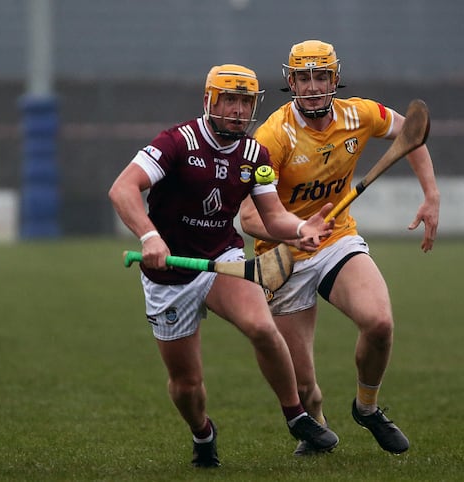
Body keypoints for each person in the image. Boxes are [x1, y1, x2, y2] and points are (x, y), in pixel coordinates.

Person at [109, 63, 340, 468]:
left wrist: (301, 227)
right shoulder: (176, 143)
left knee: (262, 327)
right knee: (187, 385)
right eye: (228, 100)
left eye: (244, 101)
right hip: (171, 275)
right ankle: (202, 433)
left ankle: (296, 416)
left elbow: (273, 218)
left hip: (221, 259)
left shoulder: (255, 154)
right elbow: (123, 188)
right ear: (208, 101)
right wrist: (150, 236)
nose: (236, 110)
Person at [239, 40, 440, 456]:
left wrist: (431, 195)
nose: (312, 86)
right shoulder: (272, 137)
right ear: (290, 81)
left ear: (335, 79)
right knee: (306, 389)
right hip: (283, 255)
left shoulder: (359, 114)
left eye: (321, 76)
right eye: (303, 77)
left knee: (380, 323)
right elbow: (249, 217)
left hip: (336, 240)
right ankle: (318, 428)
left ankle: (366, 408)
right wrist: (296, 230)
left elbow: (411, 131)